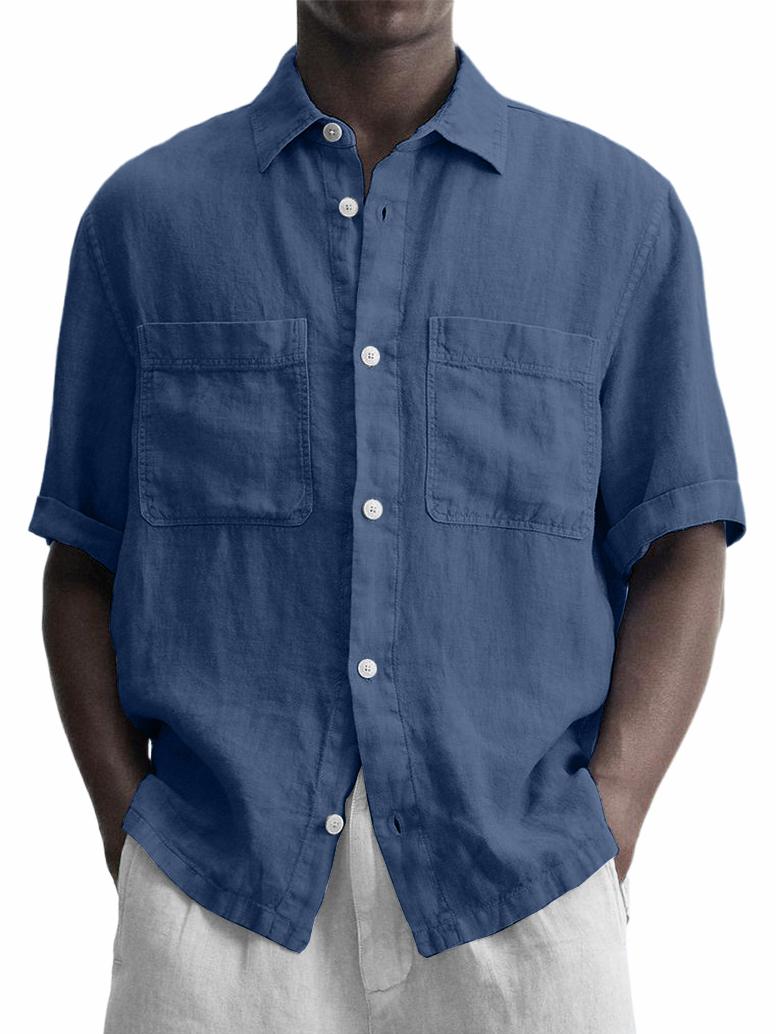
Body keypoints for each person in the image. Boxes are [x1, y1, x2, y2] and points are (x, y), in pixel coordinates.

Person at [28, 2, 746, 1033]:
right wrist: (126, 826)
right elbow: (83, 556)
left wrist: (616, 805)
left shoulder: (619, 216)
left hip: (526, 902)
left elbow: (680, 541)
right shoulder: (143, 222)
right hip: (213, 908)